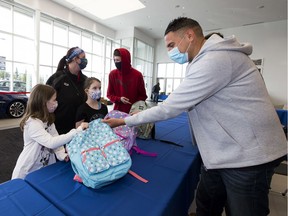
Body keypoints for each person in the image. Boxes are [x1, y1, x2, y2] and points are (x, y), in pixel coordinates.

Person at [103, 17, 287, 216]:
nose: (171, 52)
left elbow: (171, 107)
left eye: (172, 45)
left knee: (243, 210)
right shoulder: (203, 61)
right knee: (207, 203)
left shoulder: (216, 59)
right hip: (222, 153)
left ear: (189, 35)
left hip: (248, 157)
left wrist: (123, 121)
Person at [12, 84, 89, 179]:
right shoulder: (32, 123)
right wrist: (77, 131)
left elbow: (55, 138)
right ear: (44, 102)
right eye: (54, 100)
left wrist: (61, 154)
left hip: (44, 169)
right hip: (28, 171)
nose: (56, 102)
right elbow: (51, 142)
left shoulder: (48, 119)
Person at [46, 47, 87, 134]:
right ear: (75, 59)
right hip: (60, 129)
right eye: (83, 57)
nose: (85, 60)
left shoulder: (86, 80)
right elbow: (45, 102)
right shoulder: (57, 78)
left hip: (80, 128)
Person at [106, 48, 147, 113]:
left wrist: (136, 107)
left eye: (118, 60)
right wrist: (119, 99)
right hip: (118, 111)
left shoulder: (137, 75)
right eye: (115, 60)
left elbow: (143, 96)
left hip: (134, 111)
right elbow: (109, 94)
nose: (116, 62)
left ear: (125, 60)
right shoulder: (112, 74)